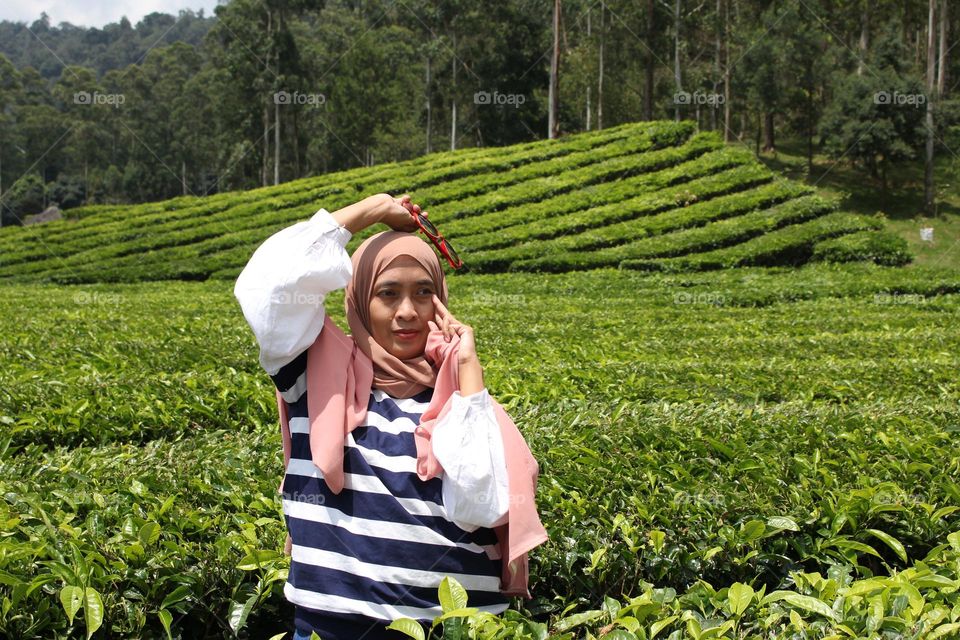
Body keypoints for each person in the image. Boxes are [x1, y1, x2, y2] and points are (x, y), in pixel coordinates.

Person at [233, 193, 546, 640]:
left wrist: (468, 372)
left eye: (424, 293)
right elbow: (268, 286)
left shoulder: (465, 403)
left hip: (456, 630)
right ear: (360, 300)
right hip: (333, 629)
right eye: (387, 293)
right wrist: (373, 210)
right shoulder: (314, 375)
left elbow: (488, 504)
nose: (407, 311)